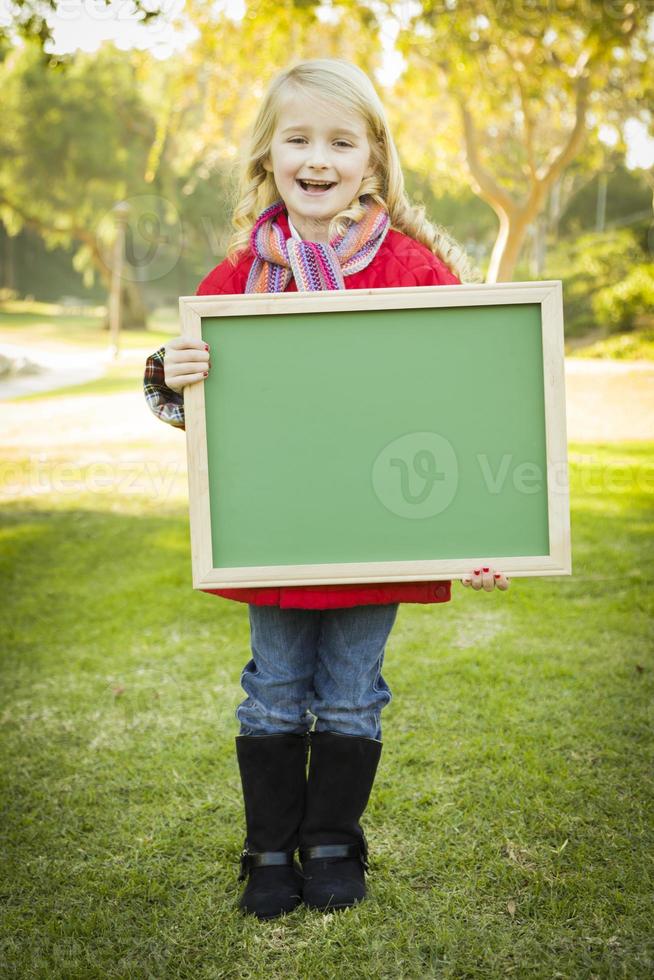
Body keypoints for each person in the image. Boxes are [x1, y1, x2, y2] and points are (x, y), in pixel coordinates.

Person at [143, 58, 510, 921]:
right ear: (268, 156)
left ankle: (333, 842)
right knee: (272, 686)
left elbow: (467, 406)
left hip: (381, 528)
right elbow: (204, 412)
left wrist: (490, 525)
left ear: (373, 162)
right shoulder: (238, 279)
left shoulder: (416, 275)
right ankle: (269, 846)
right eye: (298, 139)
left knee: (352, 688)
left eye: (341, 142)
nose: (319, 157)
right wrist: (172, 374)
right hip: (279, 532)